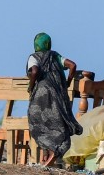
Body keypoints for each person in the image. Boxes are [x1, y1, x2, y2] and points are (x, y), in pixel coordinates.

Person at [26, 33, 82, 166]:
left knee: (37, 122)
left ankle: (52, 152)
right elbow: (72, 65)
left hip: (42, 96)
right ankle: (47, 156)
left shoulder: (33, 57)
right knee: (58, 123)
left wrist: (31, 86)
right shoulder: (55, 56)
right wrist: (68, 82)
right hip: (58, 95)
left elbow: (34, 71)